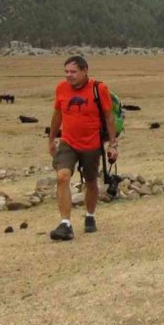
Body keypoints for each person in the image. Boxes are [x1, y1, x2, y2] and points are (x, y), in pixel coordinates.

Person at [47, 56, 119, 241]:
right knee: (62, 177)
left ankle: (90, 216)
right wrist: (52, 139)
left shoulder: (99, 89)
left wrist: (112, 145)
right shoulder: (61, 88)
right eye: (66, 72)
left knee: (91, 182)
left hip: (91, 144)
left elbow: (109, 117)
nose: (68, 76)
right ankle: (65, 224)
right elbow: (57, 114)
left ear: (85, 70)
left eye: (73, 72)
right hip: (68, 142)